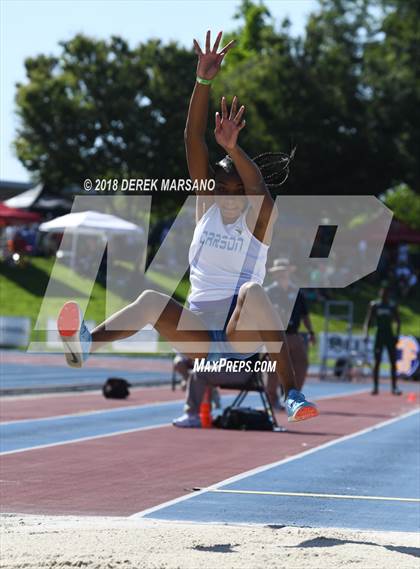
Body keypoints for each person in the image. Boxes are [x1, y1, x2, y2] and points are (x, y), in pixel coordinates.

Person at [57, 30, 319, 425]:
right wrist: (203, 81)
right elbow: (192, 137)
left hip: (239, 336)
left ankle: (292, 394)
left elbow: (258, 188)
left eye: (237, 190)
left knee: (253, 289)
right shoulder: (205, 209)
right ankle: (87, 342)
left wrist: (233, 148)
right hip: (198, 335)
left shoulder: (259, 222)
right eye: (221, 187)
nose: (230, 195)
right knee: (149, 299)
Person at [264, 258, 316, 408]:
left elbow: (304, 314)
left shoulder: (296, 292)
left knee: (302, 364)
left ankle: (292, 395)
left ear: (289, 273)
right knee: (273, 367)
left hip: (293, 334)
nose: (282, 275)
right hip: (275, 334)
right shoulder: (269, 292)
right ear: (274, 275)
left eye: (284, 272)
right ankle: (271, 398)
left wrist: (311, 331)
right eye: (279, 272)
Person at [364, 286, 402, 395]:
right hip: (379, 335)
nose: (383, 294)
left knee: (393, 362)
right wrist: (366, 334)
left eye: (386, 292)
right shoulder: (375, 305)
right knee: (377, 362)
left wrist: (397, 335)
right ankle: (375, 387)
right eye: (382, 292)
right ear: (379, 293)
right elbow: (368, 321)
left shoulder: (392, 306)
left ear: (388, 294)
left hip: (389, 335)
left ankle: (394, 387)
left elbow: (398, 321)